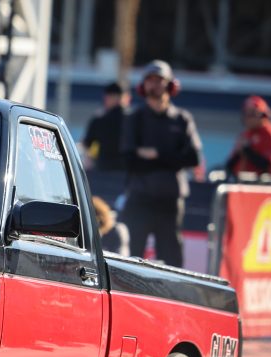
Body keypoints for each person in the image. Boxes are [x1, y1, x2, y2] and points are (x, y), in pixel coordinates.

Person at [119, 60, 201, 268]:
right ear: (143, 86)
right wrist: (172, 160)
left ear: (171, 85)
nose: (154, 85)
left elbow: (193, 158)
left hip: (170, 200)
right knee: (131, 255)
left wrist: (155, 155)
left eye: (160, 80)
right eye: (150, 80)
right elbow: (128, 159)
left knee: (172, 257)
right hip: (140, 197)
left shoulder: (182, 119)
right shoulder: (134, 118)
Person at [224, 95, 271, 181]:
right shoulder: (245, 134)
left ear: (263, 115)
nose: (248, 118)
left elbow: (267, 166)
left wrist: (247, 150)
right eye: (246, 113)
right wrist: (240, 151)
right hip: (240, 183)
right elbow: (229, 166)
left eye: (252, 114)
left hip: (262, 186)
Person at [81, 81, 129, 172]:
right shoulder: (133, 119)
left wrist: (91, 158)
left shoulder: (100, 119)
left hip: (103, 170)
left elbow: (87, 144)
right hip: (127, 172)